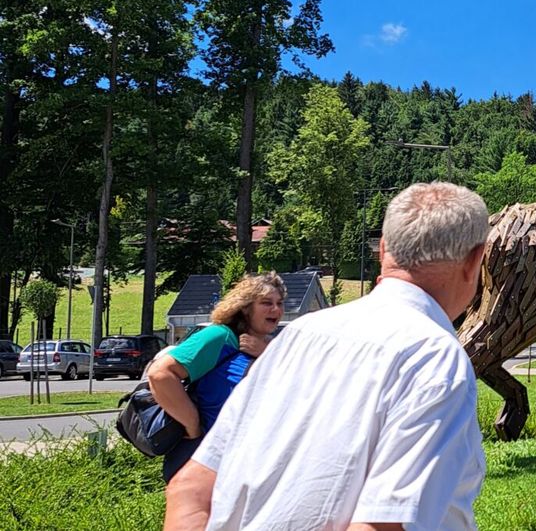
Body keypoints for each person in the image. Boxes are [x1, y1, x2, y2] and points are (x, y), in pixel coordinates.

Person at [163, 182, 490, 530]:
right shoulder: (433, 358)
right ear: (475, 260)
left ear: (382, 249)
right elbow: (381, 526)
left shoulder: (300, 335)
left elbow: (191, 488)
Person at [147, 273, 282, 482]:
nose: (276, 309)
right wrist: (192, 424)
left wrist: (267, 353)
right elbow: (160, 374)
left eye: (279, 303)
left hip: (247, 464)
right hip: (203, 459)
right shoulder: (220, 336)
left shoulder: (273, 347)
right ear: (245, 308)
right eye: (266, 303)